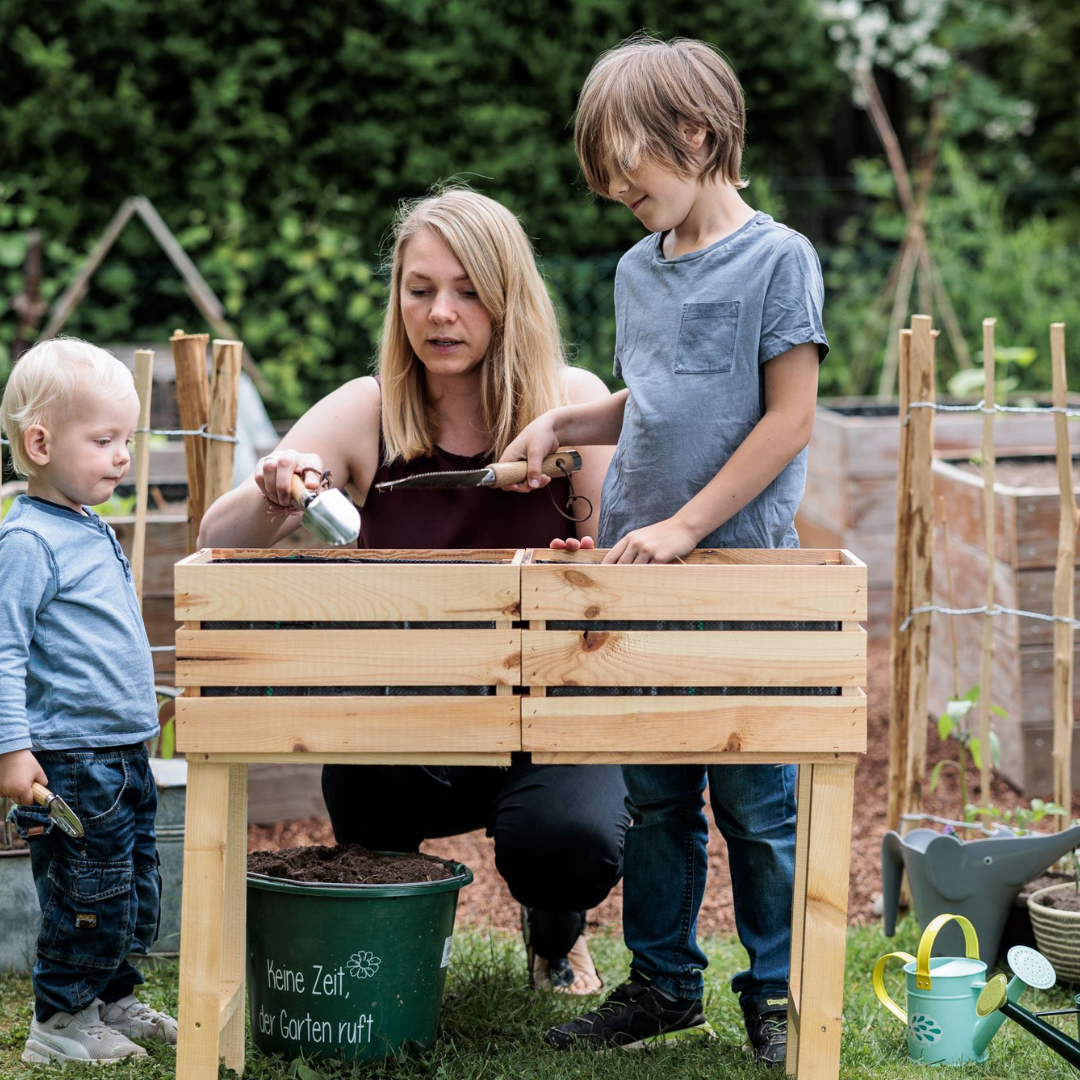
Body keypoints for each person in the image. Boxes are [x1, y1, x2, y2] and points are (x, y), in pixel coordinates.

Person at [198, 186, 629, 995]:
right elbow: (218, 542)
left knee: (569, 840)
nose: (440, 314)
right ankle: (396, 933)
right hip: (405, 726)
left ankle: (555, 927)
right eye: (420, 289)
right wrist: (275, 491)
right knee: (368, 776)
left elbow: (618, 581)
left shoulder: (571, 405)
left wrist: (582, 573)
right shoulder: (370, 409)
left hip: (547, 721)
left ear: (510, 301)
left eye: (468, 292)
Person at [499, 36, 828, 1064]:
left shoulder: (781, 259)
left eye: (626, 171)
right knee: (653, 801)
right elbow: (659, 403)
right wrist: (562, 427)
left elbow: (786, 420)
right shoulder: (638, 272)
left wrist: (691, 527)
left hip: (739, 583)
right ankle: (662, 987)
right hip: (642, 583)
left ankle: (774, 997)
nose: (615, 194)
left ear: (694, 135)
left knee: (756, 805)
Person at [0, 339, 178, 1064]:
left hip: (121, 754)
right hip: (71, 762)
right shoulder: (26, 541)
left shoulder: (88, 524)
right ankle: (60, 1020)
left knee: (132, 887)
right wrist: (12, 750)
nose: (122, 456)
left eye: (126, 440)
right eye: (103, 440)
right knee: (88, 892)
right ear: (39, 443)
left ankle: (111, 997)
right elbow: (4, 651)